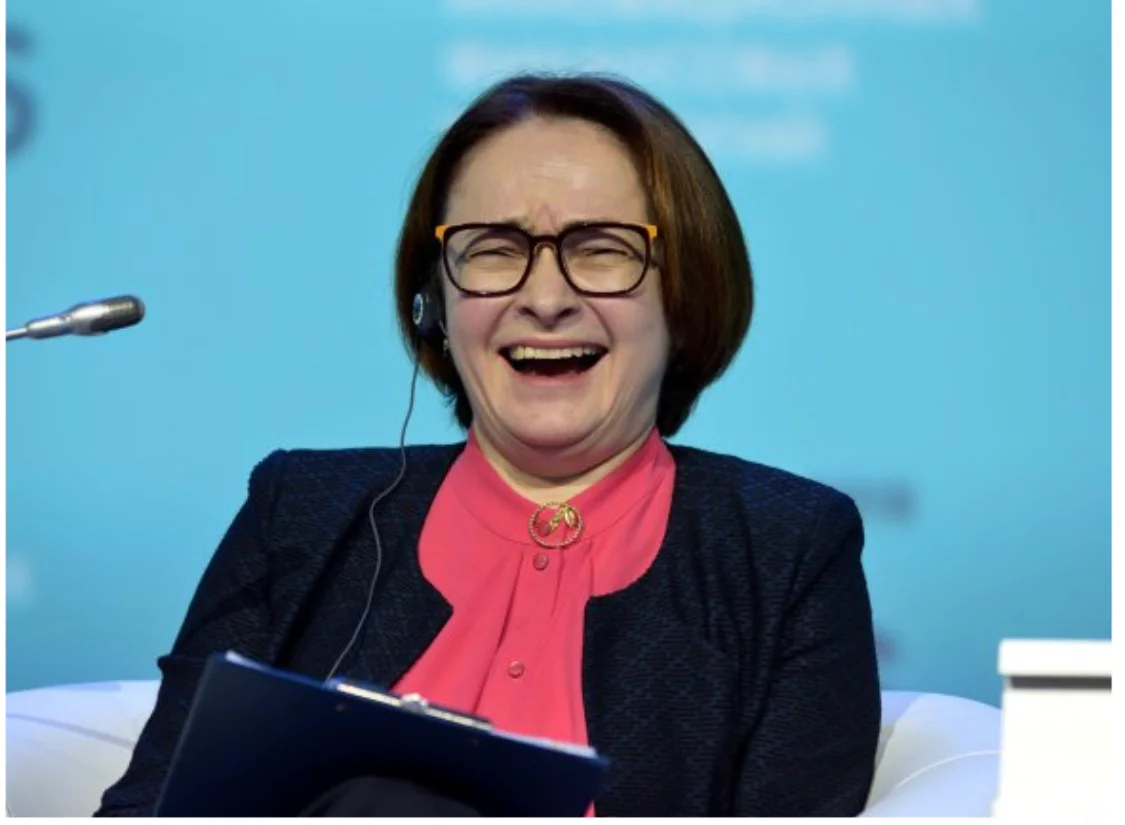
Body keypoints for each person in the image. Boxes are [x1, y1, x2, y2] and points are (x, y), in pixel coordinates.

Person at [95, 71, 881, 817]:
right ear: (432, 300)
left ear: (684, 293)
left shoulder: (785, 548)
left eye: (601, 248)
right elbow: (151, 806)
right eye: (493, 249)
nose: (545, 298)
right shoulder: (299, 511)